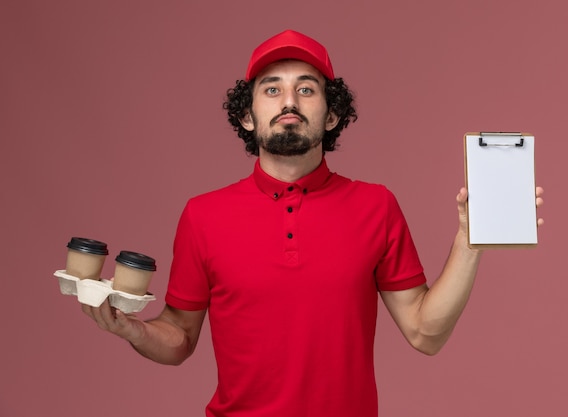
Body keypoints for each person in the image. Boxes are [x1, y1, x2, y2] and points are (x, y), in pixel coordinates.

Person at [82, 30, 544, 416]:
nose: (289, 100)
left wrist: (470, 237)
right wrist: (133, 330)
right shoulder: (202, 215)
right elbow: (180, 338)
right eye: (271, 89)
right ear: (247, 116)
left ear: (332, 114)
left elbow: (425, 333)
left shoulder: (376, 206)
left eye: (306, 88)